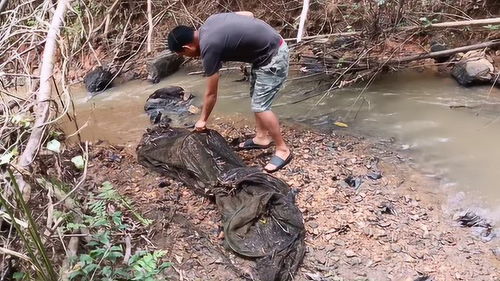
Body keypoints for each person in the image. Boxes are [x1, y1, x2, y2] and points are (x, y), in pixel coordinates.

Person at [167, 11, 292, 173]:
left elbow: (211, 93)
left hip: (274, 56)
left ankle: (283, 150)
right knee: (256, 98)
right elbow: (249, 14)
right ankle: (262, 138)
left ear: (187, 47)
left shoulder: (209, 47)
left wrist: (202, 120)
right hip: (265, 53)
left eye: (183, 54)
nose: (188, 56)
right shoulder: (210, 21)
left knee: (261, 106)